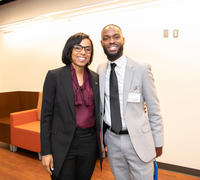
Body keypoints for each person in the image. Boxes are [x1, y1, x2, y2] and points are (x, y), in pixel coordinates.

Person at [97, 24, 163, 180]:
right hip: (112, 139)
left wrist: (158, 141)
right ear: (101, 43)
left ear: (123, 40)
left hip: (138, 140)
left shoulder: (141, 68)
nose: (111, 41)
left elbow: (154, 109)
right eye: (106, 38)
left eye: (116, 37)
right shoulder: (100, 70)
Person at [41, 33, 102, 180]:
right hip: (62, 143)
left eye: (88, 49)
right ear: (69, 50)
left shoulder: (96, 78)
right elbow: (46, 117)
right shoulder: (54, 76)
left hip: (89, 143)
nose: (83, 52)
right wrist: (46, 151)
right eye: (78, 48)